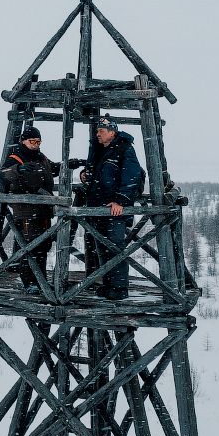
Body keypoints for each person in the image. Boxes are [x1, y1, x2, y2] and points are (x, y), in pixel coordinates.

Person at [81, 115, 144, 300]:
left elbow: (131, 177)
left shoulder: (124, 149)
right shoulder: (100, 150)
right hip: (98, 208)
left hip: (115, 209)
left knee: (115, 247)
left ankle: (119, 288)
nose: (98, 134)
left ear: (112, 132)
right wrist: (86, 174)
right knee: (101, 247)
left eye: (101, 131)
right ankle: (108, 285)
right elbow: (97, 174)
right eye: (97, 131)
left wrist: (120, 201)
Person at [0, 126, 60, 294]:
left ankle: (40, 281)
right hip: (26, 210)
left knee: (43, 245)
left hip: (43, 209)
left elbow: (52, 169)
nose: (35, 144)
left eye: (38, 142)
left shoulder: (41, 157)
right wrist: (18, 170)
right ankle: (30, 282)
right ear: (23, 141)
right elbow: (2, 175)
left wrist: (69, 164)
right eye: (32, 141)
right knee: (30, 246)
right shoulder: (16, 157)